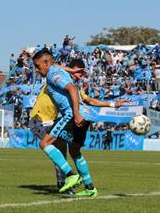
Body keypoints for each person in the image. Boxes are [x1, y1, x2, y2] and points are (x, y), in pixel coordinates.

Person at [31, 53, 126, 197]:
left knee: (45, 143)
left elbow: (72, 89)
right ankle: (90, 188)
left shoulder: (52, 74)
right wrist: (72, 70)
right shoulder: (57, 70)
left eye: (37, 66)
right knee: (75, 152)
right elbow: (56, 66)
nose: (36, 70)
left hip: (71, 114)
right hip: (85, 115)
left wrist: (75, 114)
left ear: (45, 63)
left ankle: (70, 175)